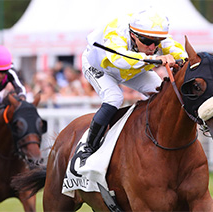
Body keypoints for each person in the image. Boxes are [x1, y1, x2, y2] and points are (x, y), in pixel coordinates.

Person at [80, 8, 187, 164]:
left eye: (156, 43)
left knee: (162, 92)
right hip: (100, 67)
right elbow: (119, 60)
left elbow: (177, 51)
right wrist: (157, 59)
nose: (152, 47)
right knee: (115, 98)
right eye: (146, 42)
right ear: (132, 35)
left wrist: (186, 60)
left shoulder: (154, 34)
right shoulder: (116, 31)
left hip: (131, 71)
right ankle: (88, 148)